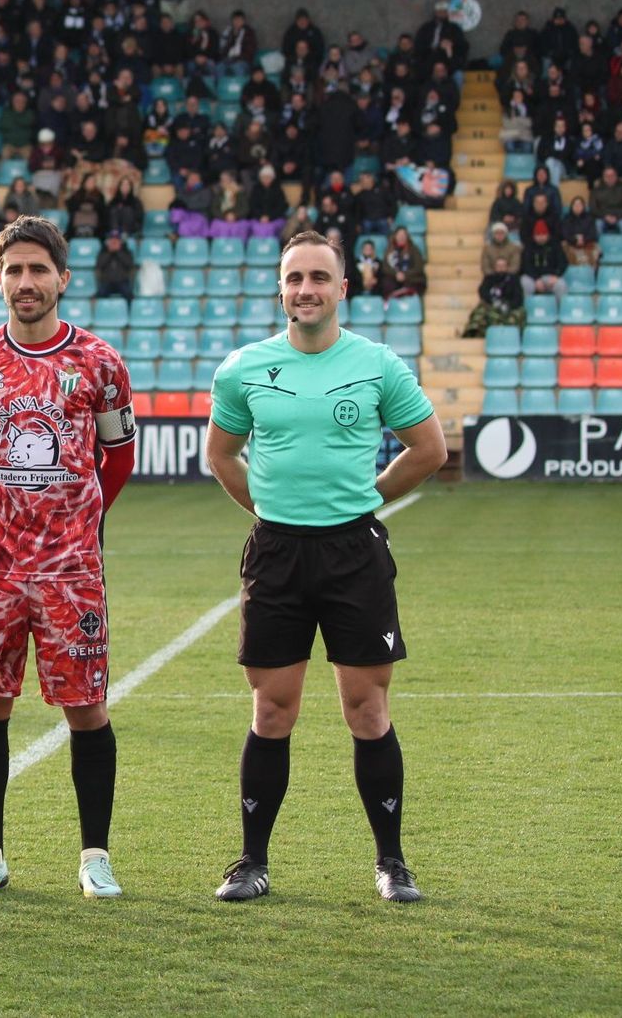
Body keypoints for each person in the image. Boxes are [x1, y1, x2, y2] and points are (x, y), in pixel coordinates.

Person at [204, 230, 447, 905]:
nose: (305, 289)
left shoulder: (377, 364)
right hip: (277, 554)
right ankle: (252, 862)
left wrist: (368, 500)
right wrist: (270, 509)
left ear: (342, 288)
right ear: (280, 289)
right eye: (294, 278)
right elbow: (221, 454)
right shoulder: (244, 368)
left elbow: (429, 448)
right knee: (272, 709)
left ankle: (392, 863)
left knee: (367, 708)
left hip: (353, 554)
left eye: (317, 278)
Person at [0, 215, 137, 899]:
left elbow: (119, 457)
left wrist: (79, 523)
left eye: (38, 270)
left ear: (63, 278)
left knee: (86, 708)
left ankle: (95, 857)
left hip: (71, 571)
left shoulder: (100, 363)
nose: (26, 282)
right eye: (14, 270)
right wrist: (6, 514)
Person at [465, 256, 525, 337]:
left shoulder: (514, 280)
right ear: (495, 267)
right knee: (480, 311)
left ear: (507, 267)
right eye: (498, 266)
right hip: (492, 307)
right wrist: (494, 302)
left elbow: (518, 297)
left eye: (503, 266)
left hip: (509, 308)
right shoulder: (489, 279)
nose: (501, 268)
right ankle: (473, 334)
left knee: (518, 315)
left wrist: (507, 305)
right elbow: (483, 292)